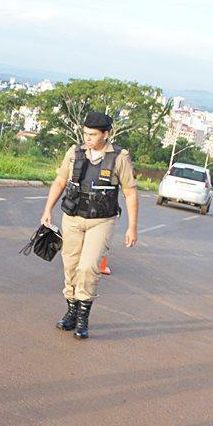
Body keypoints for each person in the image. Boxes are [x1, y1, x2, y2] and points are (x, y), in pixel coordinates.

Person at [39, 111, 138, 339]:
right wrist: (47, 210)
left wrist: (132, 227)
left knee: (88, 267)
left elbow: (130, 193)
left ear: (106, 133)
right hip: (72, 217)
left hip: (101, 221)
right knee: (70, 266)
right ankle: (71, 312)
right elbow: (60, 181)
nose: (88, 138)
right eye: (85, 133)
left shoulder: (119, 157)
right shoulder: (74, 153)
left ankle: (83, 319)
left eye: (93, 134)